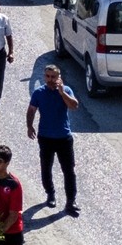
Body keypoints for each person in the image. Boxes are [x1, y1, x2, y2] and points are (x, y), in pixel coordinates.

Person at [27, 65, 81, 216]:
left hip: (64, 137)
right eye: (48, 76)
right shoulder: (39, 92)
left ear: (59, 77)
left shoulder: (66, 90)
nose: (50, 80)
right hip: (45, 137)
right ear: (44, 77)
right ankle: (50, 194)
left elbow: (74, 106)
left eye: (53, 77)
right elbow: (31, 110)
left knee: (69, 171)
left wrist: (62, 93)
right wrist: (29, 126)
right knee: (46, 167)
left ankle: (71, 201)